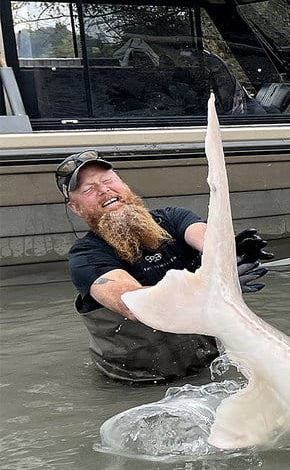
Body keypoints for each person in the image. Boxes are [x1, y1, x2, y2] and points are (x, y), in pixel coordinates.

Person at [55, 150, 271, 384]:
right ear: (75, 208)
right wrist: (211, 287)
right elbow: (134, 305)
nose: (103, 189)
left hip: (208, 363)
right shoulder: (85, 256)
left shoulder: (173, 218)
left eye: (107, 180)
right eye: (89, 189)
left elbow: (207, 239)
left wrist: (227, 257)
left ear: (123, 183)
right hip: (135, 381)